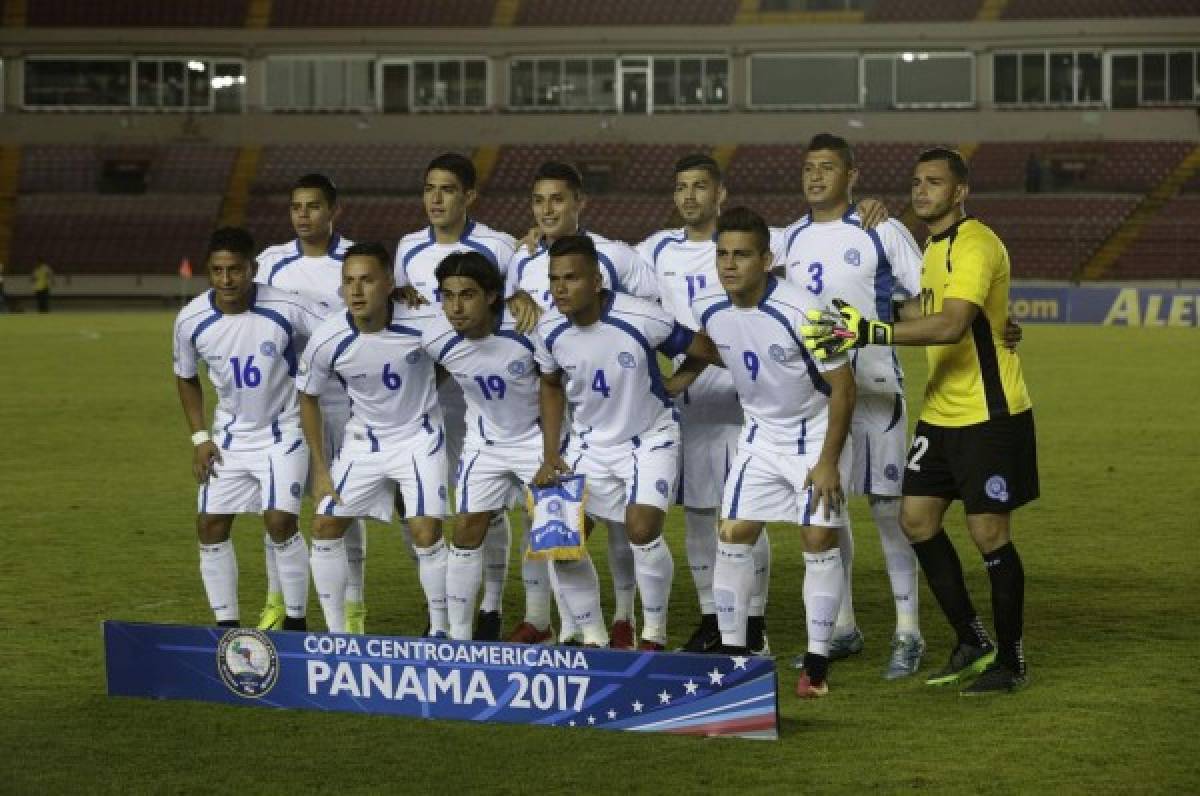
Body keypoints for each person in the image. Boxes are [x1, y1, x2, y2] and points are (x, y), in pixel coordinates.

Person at [802, 147, 1037, 695]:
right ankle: (971, 640)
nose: (922, 191)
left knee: (988, 533)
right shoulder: (933, 248)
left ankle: (1012, 659)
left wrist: (866, 332)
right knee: (917, 521)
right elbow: (919, 309)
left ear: (960, 192)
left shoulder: (977, 242)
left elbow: (952, 324)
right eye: (917, 182)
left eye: (934, 183)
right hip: (941, 414)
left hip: (990, 413)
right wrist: (859, 312)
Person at [669, 207, 855, 698]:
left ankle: (816, 666)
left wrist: (829, 461)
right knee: (732, 535)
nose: (729, 265)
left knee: (817, 541)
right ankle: (734, 659)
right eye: (723, 254)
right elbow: (710, 346)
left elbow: (844, 387)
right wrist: (675, 383)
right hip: (760, 438)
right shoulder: (710, 306)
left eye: (742, 255)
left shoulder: (811, 312)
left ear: (767, 260)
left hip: (815, 436)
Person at [781, 133, 927, 679]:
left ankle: (908, 631)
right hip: (820, 398)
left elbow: (920, 303)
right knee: (829, 509)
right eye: (809, 167)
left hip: (877, 389)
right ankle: (841, 627)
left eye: (827, 168)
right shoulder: (787, 238)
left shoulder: (881, 230)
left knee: (890, 513)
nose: (816, 176)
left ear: (851, 176)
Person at [532, 235, 712, 650]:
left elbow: (704, 348)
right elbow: (550, 383)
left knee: (641, 529)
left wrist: (679, 380)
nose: (560, 288)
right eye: (554, 279)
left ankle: (652, 634)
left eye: (571, 278)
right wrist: (550, 453)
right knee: (556, 538)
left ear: (596, 281)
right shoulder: (548, 328)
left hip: (649, 439)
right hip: (588, 446)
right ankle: (594, 640)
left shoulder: (642, 317)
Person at [508, 162, 659, 645]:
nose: (547, 209)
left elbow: (653, 316)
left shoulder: (616, 256)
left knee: (621, 523)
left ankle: (625, 618)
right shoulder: (523, 261)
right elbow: (516, 310)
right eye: (539, 201)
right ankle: (575, 626)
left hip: (612, 410)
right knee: (556, 522)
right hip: (553, 403)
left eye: (557, 199)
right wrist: (514, 300)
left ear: (579, 203)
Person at [422, 251, 606, 643]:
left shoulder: (527, 326)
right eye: (447, 295)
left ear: (491, 296)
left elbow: (553, 382)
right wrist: (403, 293)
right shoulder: (435, 337)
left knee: (559, 538)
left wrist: (552, 451)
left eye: (467, 295)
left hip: (538, 439)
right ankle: (458, 638)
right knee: (466, 529)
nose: (455, 306)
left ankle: (587, 633)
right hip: (485, 444)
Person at [393, 153, 538, 642]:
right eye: (429, 188)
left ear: (469, 196)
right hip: (433, 395)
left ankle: (492, 606)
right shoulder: (408, 249)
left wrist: (519, 295)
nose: (436, 198)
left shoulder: (499, 245)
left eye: (448, 189)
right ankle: (447, 615)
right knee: (434, 508)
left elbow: (519, 304)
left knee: (490, 506)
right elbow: (405, 309)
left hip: (488, 397)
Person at [172, 227, 323, 630]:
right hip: (229, 438)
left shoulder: (287, 307)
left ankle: (295, 622)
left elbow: (340, 326)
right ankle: (226, 627)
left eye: (235, 270)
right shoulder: (191, 319)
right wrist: (200, 437)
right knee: (210, 525)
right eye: (217, 271)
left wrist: (395, 303)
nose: (225, 280)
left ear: (252, 269)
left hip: (284, 432)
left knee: (279, 522)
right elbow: (186, 376)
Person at [296, 242, 448, 635]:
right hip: (363, 443)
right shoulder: (328, 338)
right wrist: (320, 469)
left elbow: (460, 349)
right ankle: (337, 634)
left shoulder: (425, 320)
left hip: (419, 438)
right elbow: (307, 397)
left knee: (425, 531)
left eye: (366, 280)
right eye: (349, 282)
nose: (356, 291)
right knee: (325, 526)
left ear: (389, 284)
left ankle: (442, 630)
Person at [255, 173, 372, 635]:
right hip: (289, 401)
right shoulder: (271, 264)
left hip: (347, 399)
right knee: (279, 503)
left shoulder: (356, 259)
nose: (303, 215)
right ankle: (277, 600)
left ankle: (354, 606)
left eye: (313, 206)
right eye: (296, 207)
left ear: (333, 210)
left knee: (341, 501)